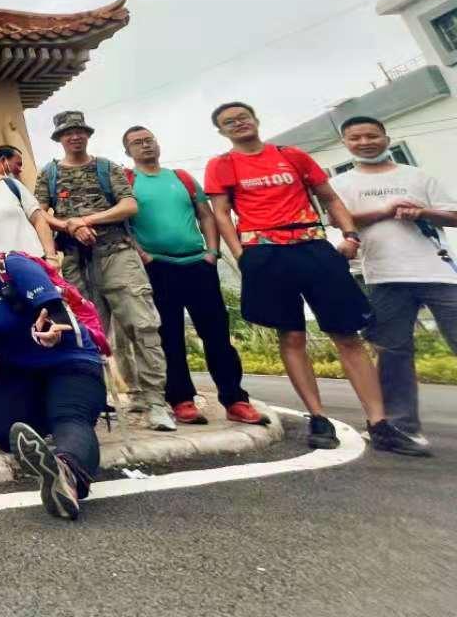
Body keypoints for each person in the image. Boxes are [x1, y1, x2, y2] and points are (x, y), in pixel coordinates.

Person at [205, 101, 425, 455]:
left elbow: (329, 198)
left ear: (255, 119)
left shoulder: (291, 155)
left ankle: (380, 422)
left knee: (347, 335)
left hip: (313, 246)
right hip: (265, 252)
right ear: (221, 131)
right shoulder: (222, 165)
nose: (238, 124)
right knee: (292, 336)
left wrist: (350, 235)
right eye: (229, 122)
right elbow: (221, 212)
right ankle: (318, 417)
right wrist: (241, 254)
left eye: (243, 117)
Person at [0, 215, 105, 521]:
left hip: (68, 361)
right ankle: (54, 430)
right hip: (22, 372)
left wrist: (53, 331)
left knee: (70, 417)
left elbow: (54, 308)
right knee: (2, 432)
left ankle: (66, 473)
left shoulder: (10, 265)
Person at [34, 111, 173, 431]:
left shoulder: (107, 168)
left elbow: (129, 205)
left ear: (87, 134)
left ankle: (154, 401)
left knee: (142, 325)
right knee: (82, 333)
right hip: (75, 259)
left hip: (118, 253)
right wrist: (69, 226)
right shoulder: (49, 174)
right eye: (68, 133)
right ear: (59, 138)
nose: (74, 137)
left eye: (79, 131)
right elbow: (40, 214)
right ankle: (92, 401)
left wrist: (85, 221)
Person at [122, 126, 262, 426]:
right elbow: (123, 224)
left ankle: (235, 400)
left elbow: (205, 214)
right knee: (169, 336)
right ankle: (181, 399)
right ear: (128, 151)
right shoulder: (127, 181)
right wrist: (142, 255)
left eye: (149, 140)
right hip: (158, 267)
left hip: (198, 264)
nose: (145, 145)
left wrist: (212, 252)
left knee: (217, 334)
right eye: (137, 143)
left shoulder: (181, 177)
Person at [331, 116, 457, 447]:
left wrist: (423, 212)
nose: (364, 142)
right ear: (345, 143)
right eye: (356, 138)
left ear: (386, 138)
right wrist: (386, 210)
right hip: (383, 276)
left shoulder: (417, 176)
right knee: (393, 352)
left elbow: (454, 215)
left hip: (439, 273)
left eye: (371, 136)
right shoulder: (341, 184)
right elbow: (339, 219)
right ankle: (403, 426)